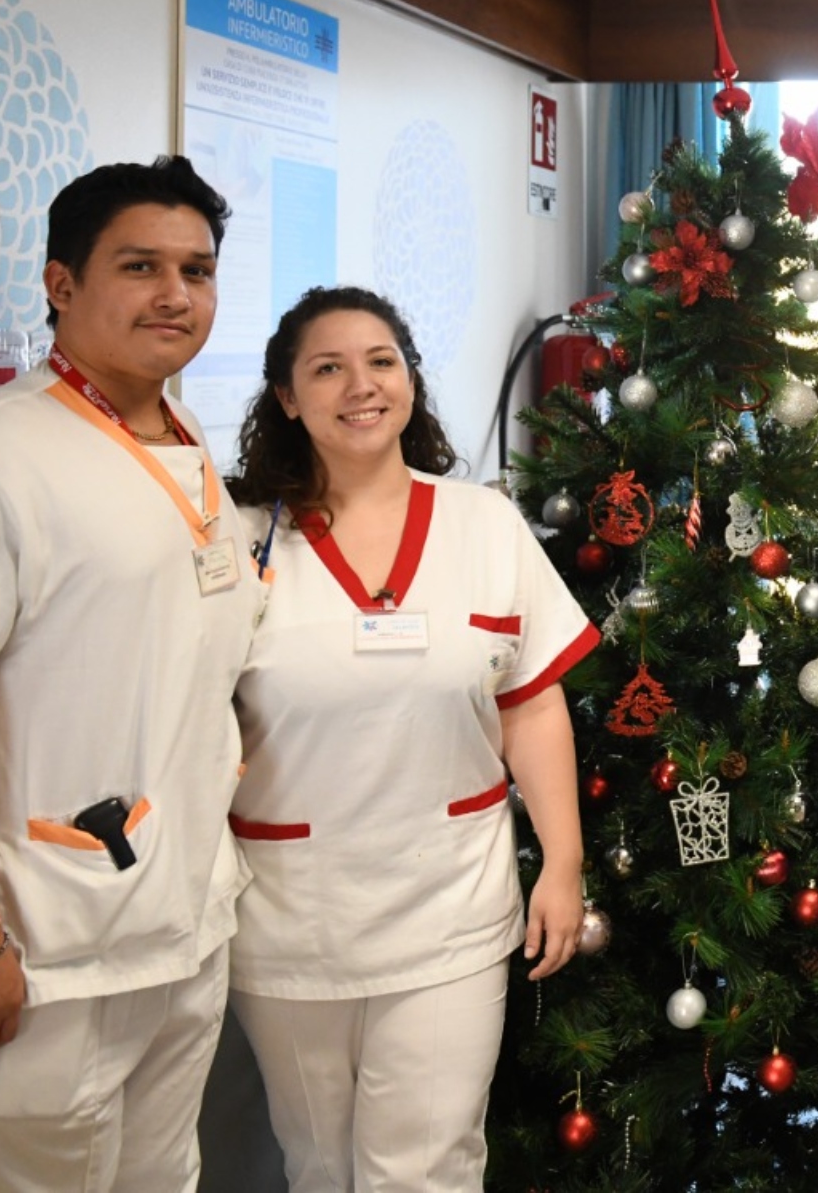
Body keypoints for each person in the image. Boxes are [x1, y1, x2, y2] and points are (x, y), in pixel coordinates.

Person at [0, 156, 257, 1192]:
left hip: (171, 938)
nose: (176, 294)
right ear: (60, 284)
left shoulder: (185, 442)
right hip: (28, 957)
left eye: (198, 269)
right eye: (140, 265)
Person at [222, 286, 594, 1190]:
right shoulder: (238, 541)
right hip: (290, 914)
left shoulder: (483, 523)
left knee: (427, 1164)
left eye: (382, 361)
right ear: (286, 396)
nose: (361, 385)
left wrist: (563, 862)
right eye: (328, 367)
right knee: (318, 1160)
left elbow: (532, 703)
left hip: (449, 907)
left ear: (411, 380)